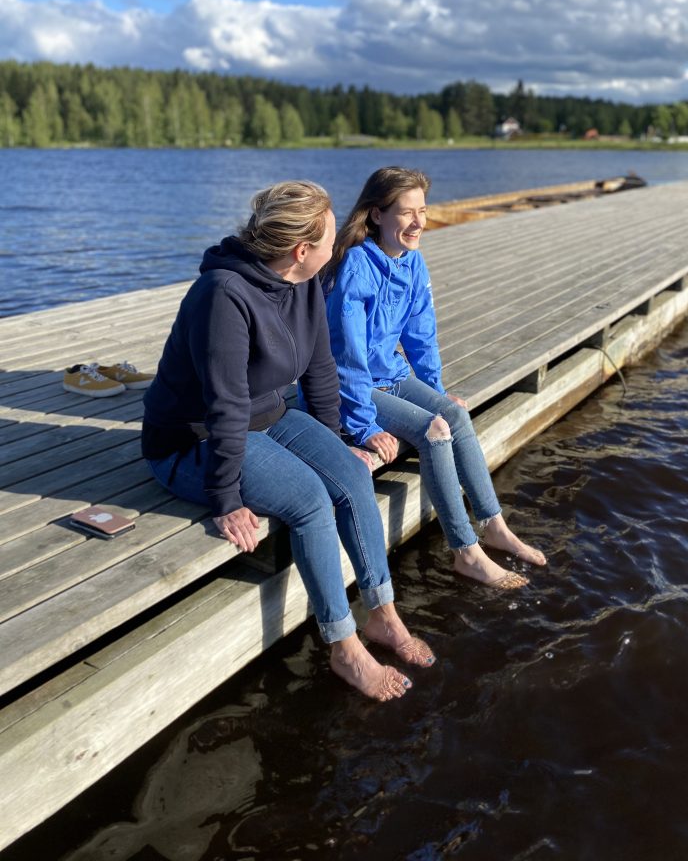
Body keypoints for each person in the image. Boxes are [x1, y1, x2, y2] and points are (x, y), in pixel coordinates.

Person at [142, 181, 434, 702]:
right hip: (197, 439)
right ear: (302, 250)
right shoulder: (224, 295)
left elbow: (321, 369)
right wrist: (225, 497)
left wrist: (338, 440)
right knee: (309, 501)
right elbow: (226, 405)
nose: (339, 243)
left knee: (351, 475)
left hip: (269, 414)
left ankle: (383, 614)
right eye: (328, 238)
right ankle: (343, 647)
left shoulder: (303, 283)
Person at [323, 167, 547, 590]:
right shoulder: (355, 266)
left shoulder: (413, 262)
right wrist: (363, 426)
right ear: (376, 215)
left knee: (454, 416)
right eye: (406, 213)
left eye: (423, 211)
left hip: (391, 374)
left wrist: (435, 393)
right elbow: (346, 358)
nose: (418, 223)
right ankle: (466, 552)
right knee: (435, 429)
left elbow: (421, 336)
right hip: (351, 388)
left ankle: (495, 526)